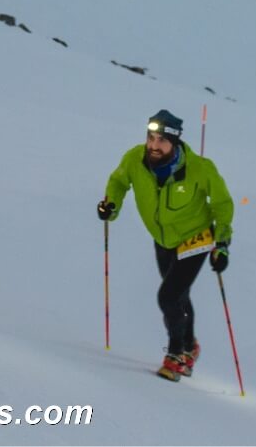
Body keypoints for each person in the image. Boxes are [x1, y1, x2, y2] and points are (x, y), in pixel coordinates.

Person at [99, 110, 235, 381]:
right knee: (179, 295)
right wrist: (110, 205)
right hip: (163, 239)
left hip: (196, 237)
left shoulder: (200, 168)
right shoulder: (134, 159)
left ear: (174, 142)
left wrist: (221, 244)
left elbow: (222, 204)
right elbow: (118, 182)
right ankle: (190, 346)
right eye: (151, 138)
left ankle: (175, 356)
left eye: (161, 140)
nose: (154, 145)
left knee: (168, 296)